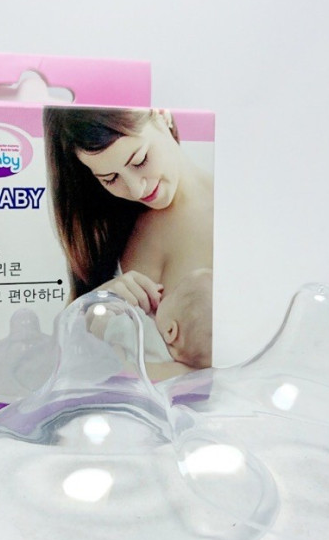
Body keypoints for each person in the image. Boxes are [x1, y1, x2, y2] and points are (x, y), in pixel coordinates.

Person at [43, 106, 213, 373]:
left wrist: (141, 375)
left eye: (140, 160)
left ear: (162, 114)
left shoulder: (235, 221)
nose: (136, 189)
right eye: (110, 178)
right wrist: (98, 305)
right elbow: (67, 354)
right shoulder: (106, 222)